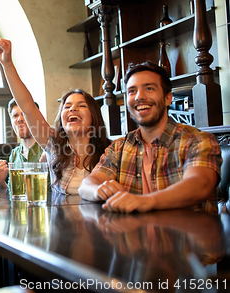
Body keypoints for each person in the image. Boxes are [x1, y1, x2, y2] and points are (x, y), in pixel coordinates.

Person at [78, 61, 222, 213]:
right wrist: (98, 190)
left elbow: (200, 185)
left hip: (186, 235)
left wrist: (145, 201)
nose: (139, 96)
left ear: (168, 98)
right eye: (132, 91)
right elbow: (87, 184)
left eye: (149, 88)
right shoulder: (118, 147)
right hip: (133, 234)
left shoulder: (198, 140)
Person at [0, 38, 111, 195]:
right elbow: (27, 106)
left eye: (81, 105)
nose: (73, 109)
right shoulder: (55, 146)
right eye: (67, 107)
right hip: (61, 219)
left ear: (94, 116)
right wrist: (7, 64)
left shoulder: (110, 152)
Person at [0, 98, 45, 188]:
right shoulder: (14, 154)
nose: (19, 119)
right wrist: (1, 182)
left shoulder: (47, 148)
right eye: (15, 115)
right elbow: (12, 194)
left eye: (24, 114)